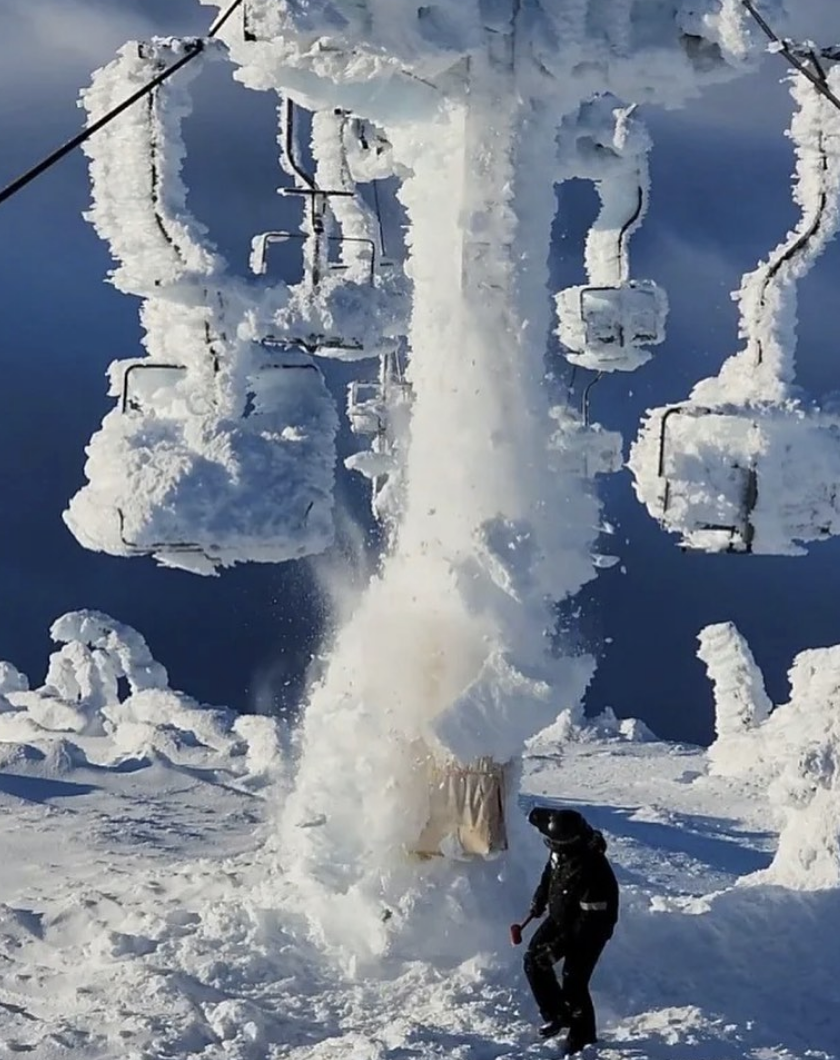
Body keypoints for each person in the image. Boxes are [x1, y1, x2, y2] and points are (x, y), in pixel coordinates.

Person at [523, 807, 619, 1056]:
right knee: (533, 959)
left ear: (571, 842)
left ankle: (583, 1035)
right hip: (560, 915)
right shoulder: (561, 846)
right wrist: (539, 899)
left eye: (557, 845)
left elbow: (589, 922)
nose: (553, 848)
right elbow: (551, 871)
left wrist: (559, 947)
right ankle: (557, 1014)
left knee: (574, 980)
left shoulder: (593, 869)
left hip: (591, 927)